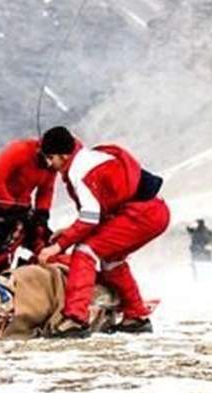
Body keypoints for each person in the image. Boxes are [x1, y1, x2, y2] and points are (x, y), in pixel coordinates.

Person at [36, 126, 170, 337]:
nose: (48, 164)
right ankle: (136, 316)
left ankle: (75, 319)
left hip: (142, 214)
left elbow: (90, 217)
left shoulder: (79, 172)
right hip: (152, 210)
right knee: (111, 260)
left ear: (63, 155)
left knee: (85, 251)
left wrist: (57, 246)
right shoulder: (86, 159)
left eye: (50, 158)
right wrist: (68, 231)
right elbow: (96, 212)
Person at [0, 138, 57, 271]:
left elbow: (46, 190)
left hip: (22, 209)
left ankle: (36, 273)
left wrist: (42, 213)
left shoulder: (52, 166)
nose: (49, 163)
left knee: (48, 243)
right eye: (47, 157)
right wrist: (9, 206)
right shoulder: (20, 150)